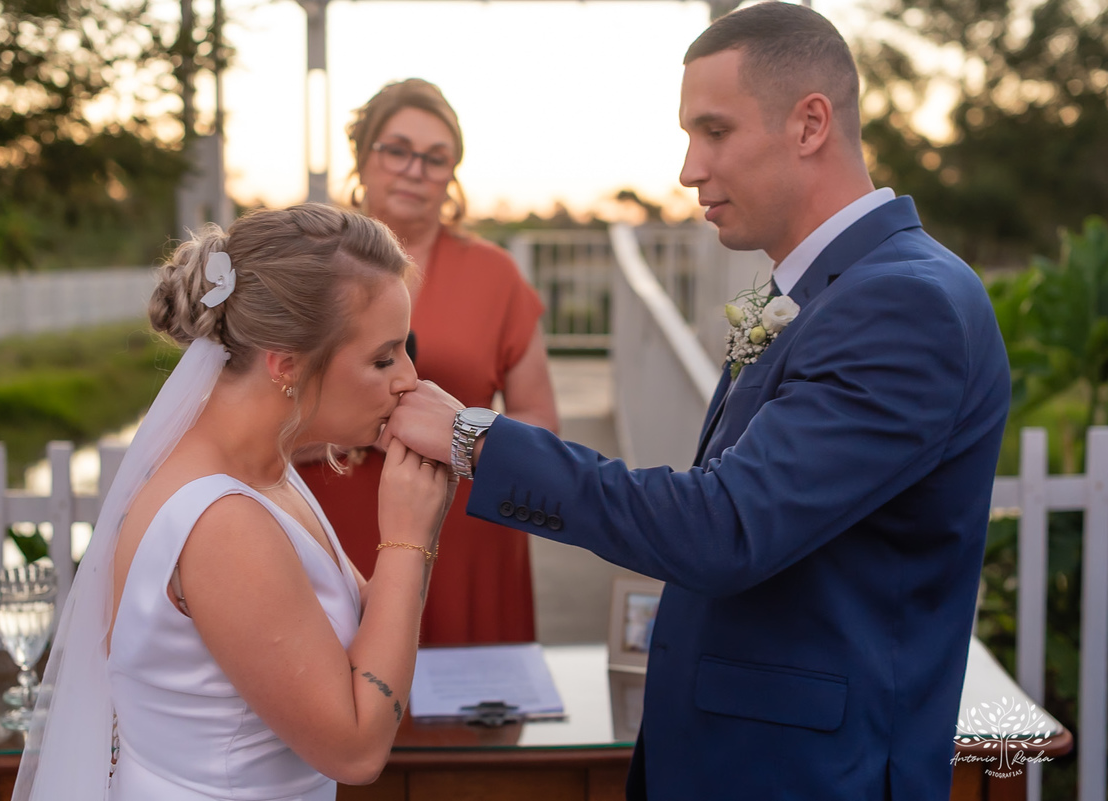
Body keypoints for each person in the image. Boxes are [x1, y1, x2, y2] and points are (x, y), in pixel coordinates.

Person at [382, 3, 1012, 799]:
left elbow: (726, 526)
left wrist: (476, 437)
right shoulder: (835, 290)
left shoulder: (902, 305)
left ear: (810, 123)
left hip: (809, 775)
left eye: (714, 131)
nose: (687, 169)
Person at [13, 203, 455, 801]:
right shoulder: (222, 523)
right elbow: (355, 749)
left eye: (404, 350)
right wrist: (408, 537)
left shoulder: (267, 472)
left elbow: (352, 632)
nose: (409, 378)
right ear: (287, 366)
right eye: (382, 358)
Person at [297, 78, 559, 645]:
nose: (415, 169)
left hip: (465, 534)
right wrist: (344, 433)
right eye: (397, 149)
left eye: (436, 158)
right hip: (334, 529)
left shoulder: (497, 278)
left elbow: (540, 421)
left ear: (451, 175)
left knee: (466, 717)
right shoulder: (308, 268)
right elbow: (257, 404)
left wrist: (458, 437)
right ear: (363, 157)